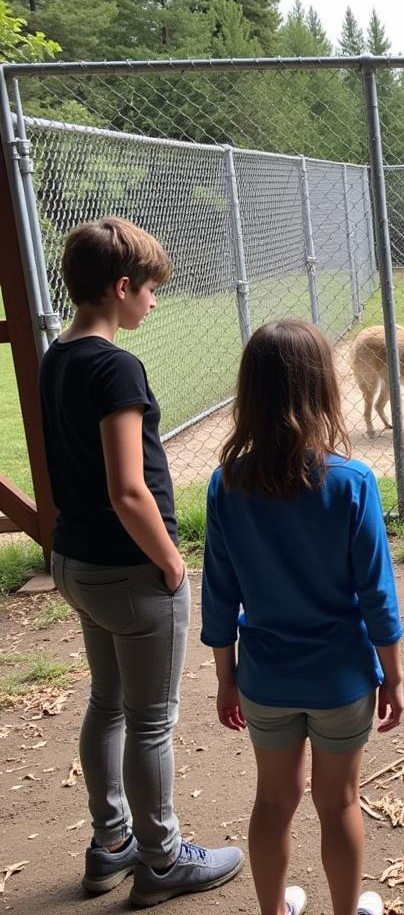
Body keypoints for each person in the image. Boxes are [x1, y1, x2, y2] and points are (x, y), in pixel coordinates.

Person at [40, 217, 244, 905]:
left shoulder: (58, 355)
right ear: (121, 288)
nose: (155, 301)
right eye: (151, 288)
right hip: (130, 571)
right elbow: (128, 488)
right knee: (151, 718)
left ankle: (112, 844)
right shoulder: (114, 365)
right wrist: (172, 561)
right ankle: (161, 860)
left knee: (108, 703)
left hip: (76, 562)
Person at [201, 318, 404, 915]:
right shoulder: (352, 482)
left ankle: (274, 911)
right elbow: (377, 595)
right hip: (341, 678)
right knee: (339, 802)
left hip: (265, 677)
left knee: (272, 802)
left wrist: (225, 676)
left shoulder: (226, 485)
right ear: (322, 389)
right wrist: (391, 675)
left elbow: (219, 592)